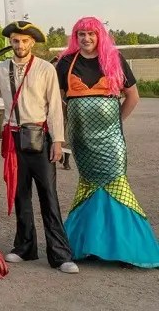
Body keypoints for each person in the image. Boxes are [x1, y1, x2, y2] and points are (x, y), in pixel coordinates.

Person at [0, 21, 77, 274]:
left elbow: (55, 106)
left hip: (40, 137)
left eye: (24, 41)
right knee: (20, 193)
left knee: (49, 197)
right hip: (13, 139)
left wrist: (58, 141)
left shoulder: (46, 69)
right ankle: (24, 247)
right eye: (15, 40)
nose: (20, 45)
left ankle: (60, 254)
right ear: (10, 42)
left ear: (32, 43)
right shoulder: (1, 69)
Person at [55, 17, 159, 268]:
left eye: (91, 34)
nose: (86, 39)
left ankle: (127, 249)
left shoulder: (114, 60)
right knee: (90, 187)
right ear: (75, 37)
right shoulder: (66, 62)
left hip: (111, 141)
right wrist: (65, 129)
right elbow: (58, 101)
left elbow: (132, 96)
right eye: (81, 34)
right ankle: (89, 246)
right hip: (81, 142)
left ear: (100, 36)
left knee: (117, 187)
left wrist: (116, 122)